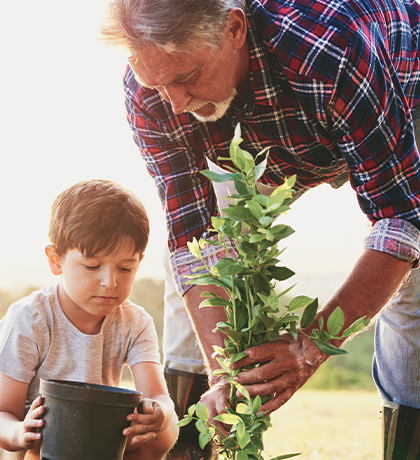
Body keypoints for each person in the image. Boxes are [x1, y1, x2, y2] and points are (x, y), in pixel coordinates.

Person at [99, 0, 420, 456]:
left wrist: (311, 347)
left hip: (397, 98)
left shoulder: (331, 49)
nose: (175, 103)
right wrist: (225, 373)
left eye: (186, 78)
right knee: (202, 273)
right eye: (158, 84)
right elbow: (193, 237)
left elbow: (401, 217)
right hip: (267, 141)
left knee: (414, 291)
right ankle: (193, 442)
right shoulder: (153, 91)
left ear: (233, 29)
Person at [0, 179, 179, 460]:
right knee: (32, 444)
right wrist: (20, 432)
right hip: (42, 441)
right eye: (92, 266)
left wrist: (160, 413)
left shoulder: (135, 322)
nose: (110, 281)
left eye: (125, 268)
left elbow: (159, 397)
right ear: (56, 260)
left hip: (98, 435)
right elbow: (3, 414)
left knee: (167, 430)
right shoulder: (29, 320)